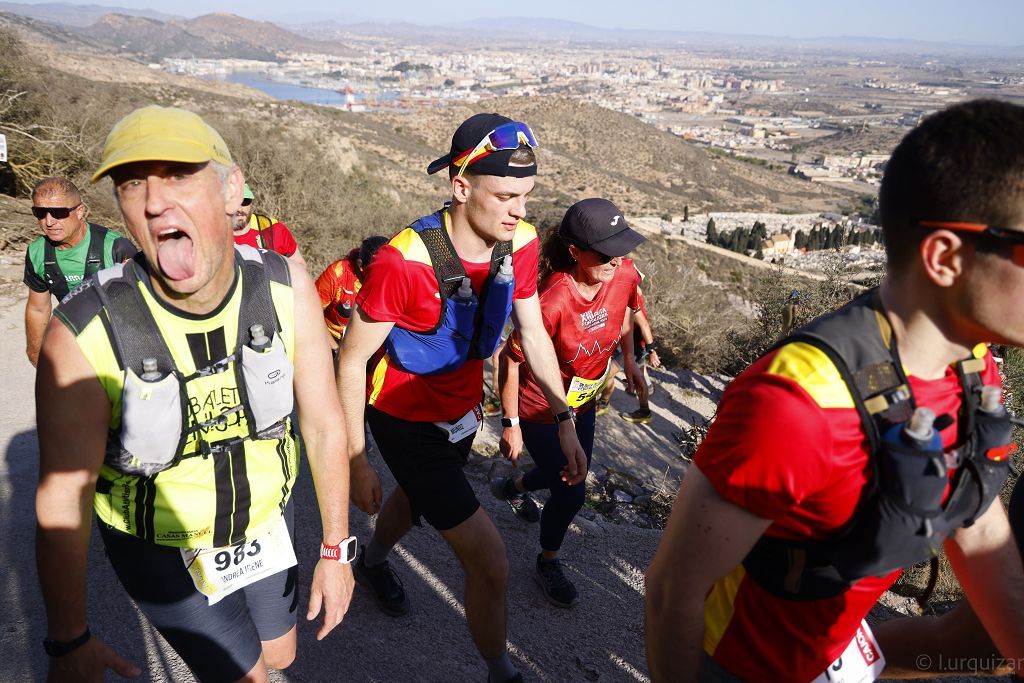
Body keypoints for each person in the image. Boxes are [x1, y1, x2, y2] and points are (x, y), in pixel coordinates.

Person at [645, 98, 1024, 682]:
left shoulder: (972, 368)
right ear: (945, 256)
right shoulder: (798, 405)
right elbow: (673, 595)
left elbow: (974, 513)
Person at [35, 105, 355, 683]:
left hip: (261, 524)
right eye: (133, 183)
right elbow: (62, 499)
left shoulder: (284, 284)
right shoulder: (83, 332)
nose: (155, 201)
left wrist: (336, 548)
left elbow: (325, 422)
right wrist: (68, 639)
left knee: (281, 656)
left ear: (232, 189)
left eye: (179, 174)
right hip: (161, 547)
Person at [335, 112, 586, 683]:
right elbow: (350, 363)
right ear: (460, 186)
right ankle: (503, 674)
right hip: (404, 418)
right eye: (504, 196)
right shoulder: (404, 263)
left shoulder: (517, 244)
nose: (520, 211)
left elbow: (533, 331)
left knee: (417, 496)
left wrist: (564, 417)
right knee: (490, 560)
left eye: (525, 195)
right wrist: (354, 461)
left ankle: (373, 562)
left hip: (462, 410)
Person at [494, 198, 647, 607]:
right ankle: (548, 563)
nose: (616, 261)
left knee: (566, 469)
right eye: (605, 253)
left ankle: (514, 486)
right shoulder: (552, 301)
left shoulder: (624, 272)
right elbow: (509, 359)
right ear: (576, 252)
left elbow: (628, 310)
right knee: (573, 488)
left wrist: (630, 360)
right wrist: (509, 423)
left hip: (586, 398)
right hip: (541, 408)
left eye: (621, 250)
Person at [23, 176, 136, 366]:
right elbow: (38, 308)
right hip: (73, 342)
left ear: (80, 211)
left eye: (58, 213)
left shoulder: (116, 247)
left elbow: (142, 308)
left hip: (119, 344)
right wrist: (35, 351)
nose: (49, 221)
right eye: (40, 213)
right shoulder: (37, 252)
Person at [315, 235, 388, 347]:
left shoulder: (393, 277)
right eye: (377, 272)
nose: (383, 278)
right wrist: (334, 348)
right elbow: (312, 314)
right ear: (361, 266)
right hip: (334, 339)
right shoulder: (337, 274)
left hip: (371, 342)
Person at [232, 182, 306, 265]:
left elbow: (300, 265)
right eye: (233, 201)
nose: (239, 209)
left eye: (245, 201)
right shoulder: (215, 233)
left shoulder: (273, 229)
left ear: (251, 203)